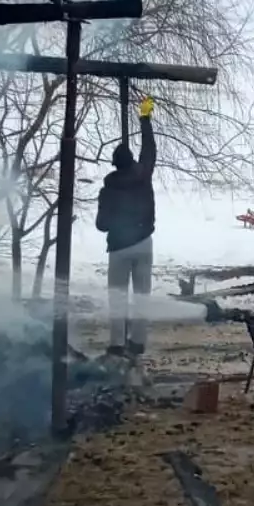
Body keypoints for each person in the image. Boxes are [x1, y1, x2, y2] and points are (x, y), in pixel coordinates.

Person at [96, 95, 157, 358]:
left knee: (118, 298)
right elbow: (150, 148)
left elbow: (101, 225)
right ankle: (139, 342)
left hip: (120, 248)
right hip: (144, 242)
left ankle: (117, 344)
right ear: (131, 161)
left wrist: (113, 221)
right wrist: (145, 119)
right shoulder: (143, 174)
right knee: (142, 294)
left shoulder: (108, 188)